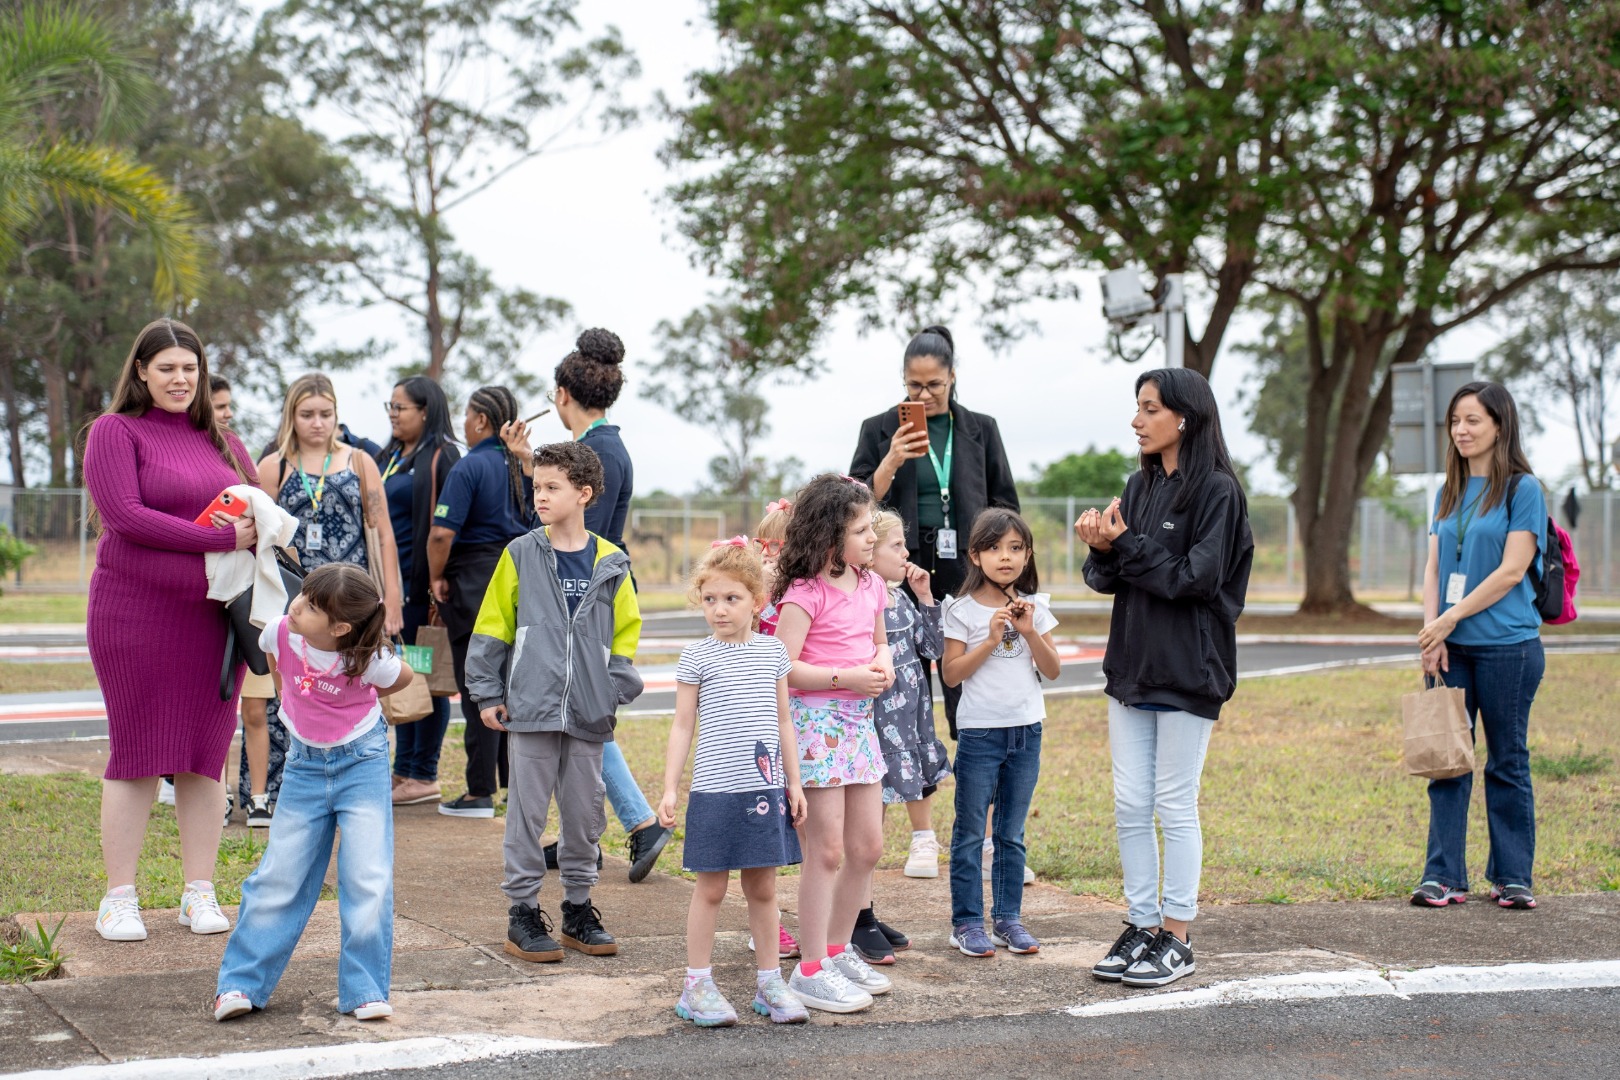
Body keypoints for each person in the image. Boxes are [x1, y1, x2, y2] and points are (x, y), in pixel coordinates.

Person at [82, 318, 257, 942]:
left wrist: (259, 530)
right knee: (135, 753)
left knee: (205, 757)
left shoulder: (224, 442)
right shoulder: (114, 431)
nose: (180, 379)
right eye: (167, 369)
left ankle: (198, 892)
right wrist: (218, 538)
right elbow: (125, 516)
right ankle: (118, 899)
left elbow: (256, 508)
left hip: (213, 619)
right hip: (134, 616)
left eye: (190, 368)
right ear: (141, 372)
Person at [1079, 367, 1253, 989]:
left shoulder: (1219, 491)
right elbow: (1105, 579)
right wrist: (1102, 548)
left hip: (1189, 670)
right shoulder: (1139, 485)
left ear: (1185, 416)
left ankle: (1177, 936)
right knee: (1130, 804)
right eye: (1137, 407)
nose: (1137, 420)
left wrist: (1127, 546)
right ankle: (1142, 924)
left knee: (1175, 804)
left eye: (1150, 408)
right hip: (1131, 668)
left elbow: (1195, 580)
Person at [466, 440, 644, 963]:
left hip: (589, 713)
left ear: (583, 493)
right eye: (536, 486)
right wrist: (488, 691)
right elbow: (493, 626)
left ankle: (578, 910)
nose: (539, 496)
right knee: (525, 816)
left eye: (552, 487)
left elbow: (626, 636)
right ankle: (522, 913)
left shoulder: (612, 562)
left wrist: (612, 690)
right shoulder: (520, 553)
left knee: (584, 816)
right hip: (531, 708)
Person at [213, 565, 414, 1022]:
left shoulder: (370, 659)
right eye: (302, 594)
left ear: (340, 628)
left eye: (311, 605)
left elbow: (400, 678)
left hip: (362, 763)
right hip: (303, 766)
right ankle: (241, 983)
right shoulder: (280, 631)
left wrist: (367, 682)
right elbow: (273, 663)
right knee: (279, 875)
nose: (296, 604)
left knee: (366, 876)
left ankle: (365, 990)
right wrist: (287, 697)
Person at [504, 329, 671, 879]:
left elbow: (574, 542)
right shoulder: (607, 446)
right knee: (578, 712)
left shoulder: (597, 452)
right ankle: (596, 833)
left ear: (561, 395)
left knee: (580, 715)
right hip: (596, 595)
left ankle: (634, 823)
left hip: (586, 600)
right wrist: (529, 462)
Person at [656, 540, 809, 1027]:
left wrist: (794, 783)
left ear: (757, 601)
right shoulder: (696, 657)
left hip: (764, 791)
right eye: (710, 599)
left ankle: (770, 982)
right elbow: (683, 725)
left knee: (763, 888)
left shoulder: (773, 653)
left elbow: (784, 721)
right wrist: (670, 788)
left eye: (731, 598)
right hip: (714, 793)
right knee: (711, 889)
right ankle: (696, 984)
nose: (719, 609)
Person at [245, 375, 404, 828]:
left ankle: (356, 782)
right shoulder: (274, 466)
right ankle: (280, 790)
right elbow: (261, 538)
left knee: (353, 681)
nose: (317, 422)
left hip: (352, 601)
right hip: (298, 598)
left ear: (337, 414)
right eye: (307, 414)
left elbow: (383, 533)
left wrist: (392, 597)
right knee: (290, 691)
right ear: (291, 416)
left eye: (326, 414)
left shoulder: (360, 461)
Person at [1412, 381, 1547, 911]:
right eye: (1455, 421)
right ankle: (1442, 876)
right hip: (1451, 649)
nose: (1461, 430)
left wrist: (1449, 619)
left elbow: (1512, 571)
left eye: (1472, 420)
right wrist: (1432, 633)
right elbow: (1432, 567)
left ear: (1499, 425)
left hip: (1509, 647)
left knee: (1506, 761)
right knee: (1447, 761)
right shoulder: (1447, 490)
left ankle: (1513, 876)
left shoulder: (1522, 489)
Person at [848, 325, 1019, 738]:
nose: (923, 395)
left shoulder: (982, 428)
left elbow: (1006, 505)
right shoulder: (878, 428)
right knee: (905, 664)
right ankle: (910, 755)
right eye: (914, 385)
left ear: (952, 377)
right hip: (897, 566)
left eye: (934, 385)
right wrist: (890, 461)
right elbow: (853, 503)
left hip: (965, 563)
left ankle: (973, 749)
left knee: (964, 660)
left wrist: (999, 560)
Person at [772, 474, 894, 1014]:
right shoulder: (804, 593)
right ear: (829, 535)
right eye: (862, 530)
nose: (872, 538)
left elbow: (880, 641)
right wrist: (846, 678)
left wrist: (883, 663)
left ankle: (838, 950)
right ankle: (810, 968)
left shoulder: (872, 585)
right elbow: (781, 667)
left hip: (859, 728)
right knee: (824, 851)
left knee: (867, 847)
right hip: (815, 731)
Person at [940, 509, 1061, 960]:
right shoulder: (961, 610)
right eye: (993, 548)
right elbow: (951, 675)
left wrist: (1029, 632)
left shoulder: (1035, 608)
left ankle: (1008, 919)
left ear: (1027, 555)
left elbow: (1052, 669)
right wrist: (990, 640)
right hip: (980, 734)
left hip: (1026, 731)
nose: (1005, 557)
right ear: (975, 555)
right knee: (971, 831)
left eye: (1015, 548)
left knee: (1010, 832)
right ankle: (967, 923)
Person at [847, 510, 949, 966]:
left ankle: (863, 911)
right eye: (897, 545)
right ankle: (857, 916)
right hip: (877, 725)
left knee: (875, 828)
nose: (906, 553)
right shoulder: (863, 600)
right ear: (869, 553)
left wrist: (926, 597)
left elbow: (933, 649)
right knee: (868, 828)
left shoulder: (901, 598)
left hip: (908, 723)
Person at [427, 386, 535, 817]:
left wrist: (436, 576)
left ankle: (478, 790)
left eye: (468, 416)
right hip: (519, 579)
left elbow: (441, 533)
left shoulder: (470, 465)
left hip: (474, 581)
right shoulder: (523, 467)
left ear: (482, 421)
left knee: (477, 686)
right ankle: (513, 784)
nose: (464, 424)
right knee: (512, 683)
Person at [376, 376, 462, 806]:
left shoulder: (443, 456)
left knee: (426, 678)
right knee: (400, 676)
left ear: (425, 411)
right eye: (390, 406)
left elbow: (450, 525)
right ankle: (403, 769)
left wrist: (437, 581)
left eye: (401, 407)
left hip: (420, 592)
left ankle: (423, 774)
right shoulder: (389, 455)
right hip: (388, 588)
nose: (393, 414)